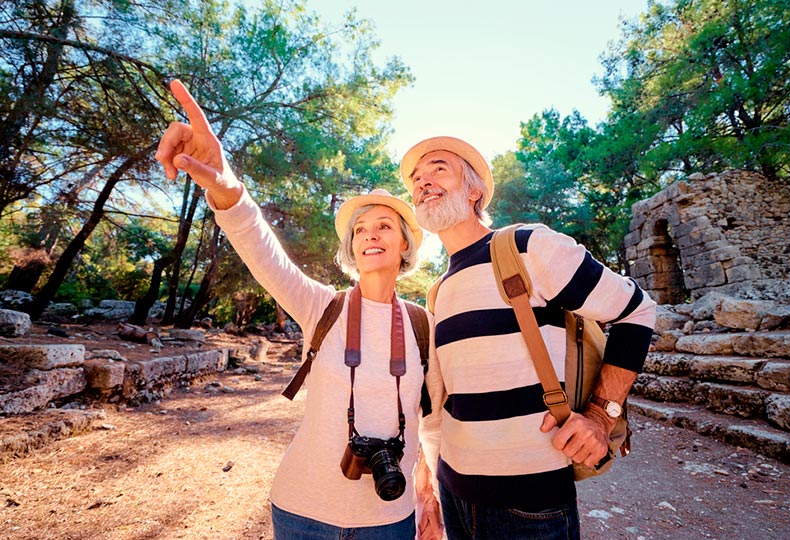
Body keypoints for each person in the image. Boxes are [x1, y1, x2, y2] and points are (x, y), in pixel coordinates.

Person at [155, 80, 443, 540]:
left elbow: (434, 423)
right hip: (301, 512)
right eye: (360, 229)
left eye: (384, 226)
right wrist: (226, 183)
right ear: (352, 247)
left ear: (405, 244)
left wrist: (429, 494)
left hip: (388, 519)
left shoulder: (424, 325)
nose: (370, 234)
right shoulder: (322, 306)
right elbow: (262, 252)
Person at [399, 136, 657, 540]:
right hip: (454, 493)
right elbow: (442, 404)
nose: (423, 182)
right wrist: (429, 485)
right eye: (416, 178)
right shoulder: (439, 291)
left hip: (530, 507)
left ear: (474, 191)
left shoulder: (526, 246)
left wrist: (600, 416)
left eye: (439, 169)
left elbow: (637, 310)